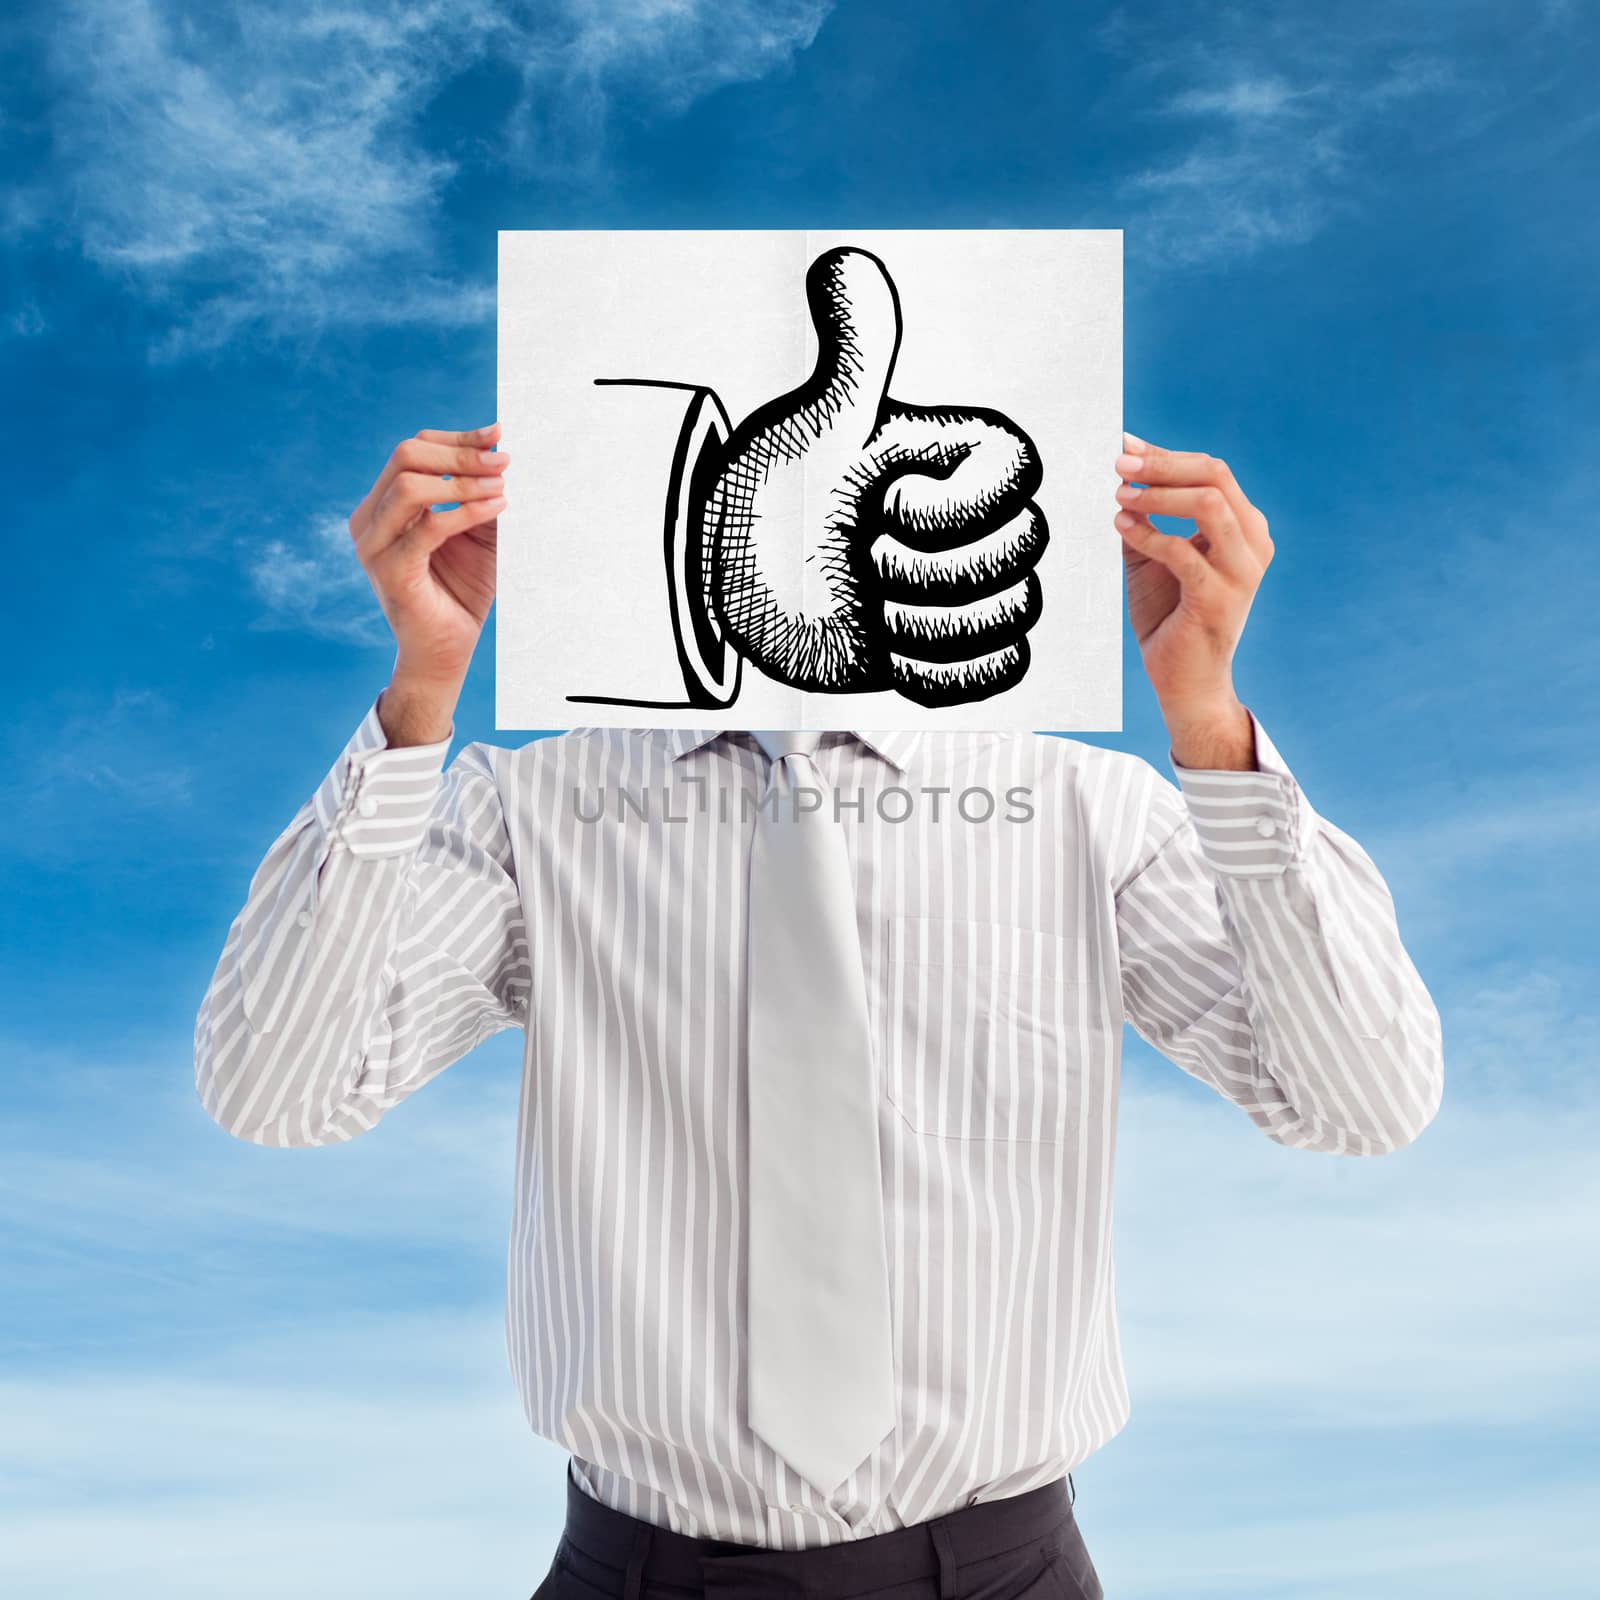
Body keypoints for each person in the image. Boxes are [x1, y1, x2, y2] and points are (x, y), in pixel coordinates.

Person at [194, 421, 1444, 1600]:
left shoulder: (1083, 808)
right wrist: (419, 695)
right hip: (636, 1568)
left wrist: (1209, 721)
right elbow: (278, 1093)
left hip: (1003, 1568)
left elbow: (1361, 1101)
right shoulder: (532, 809)